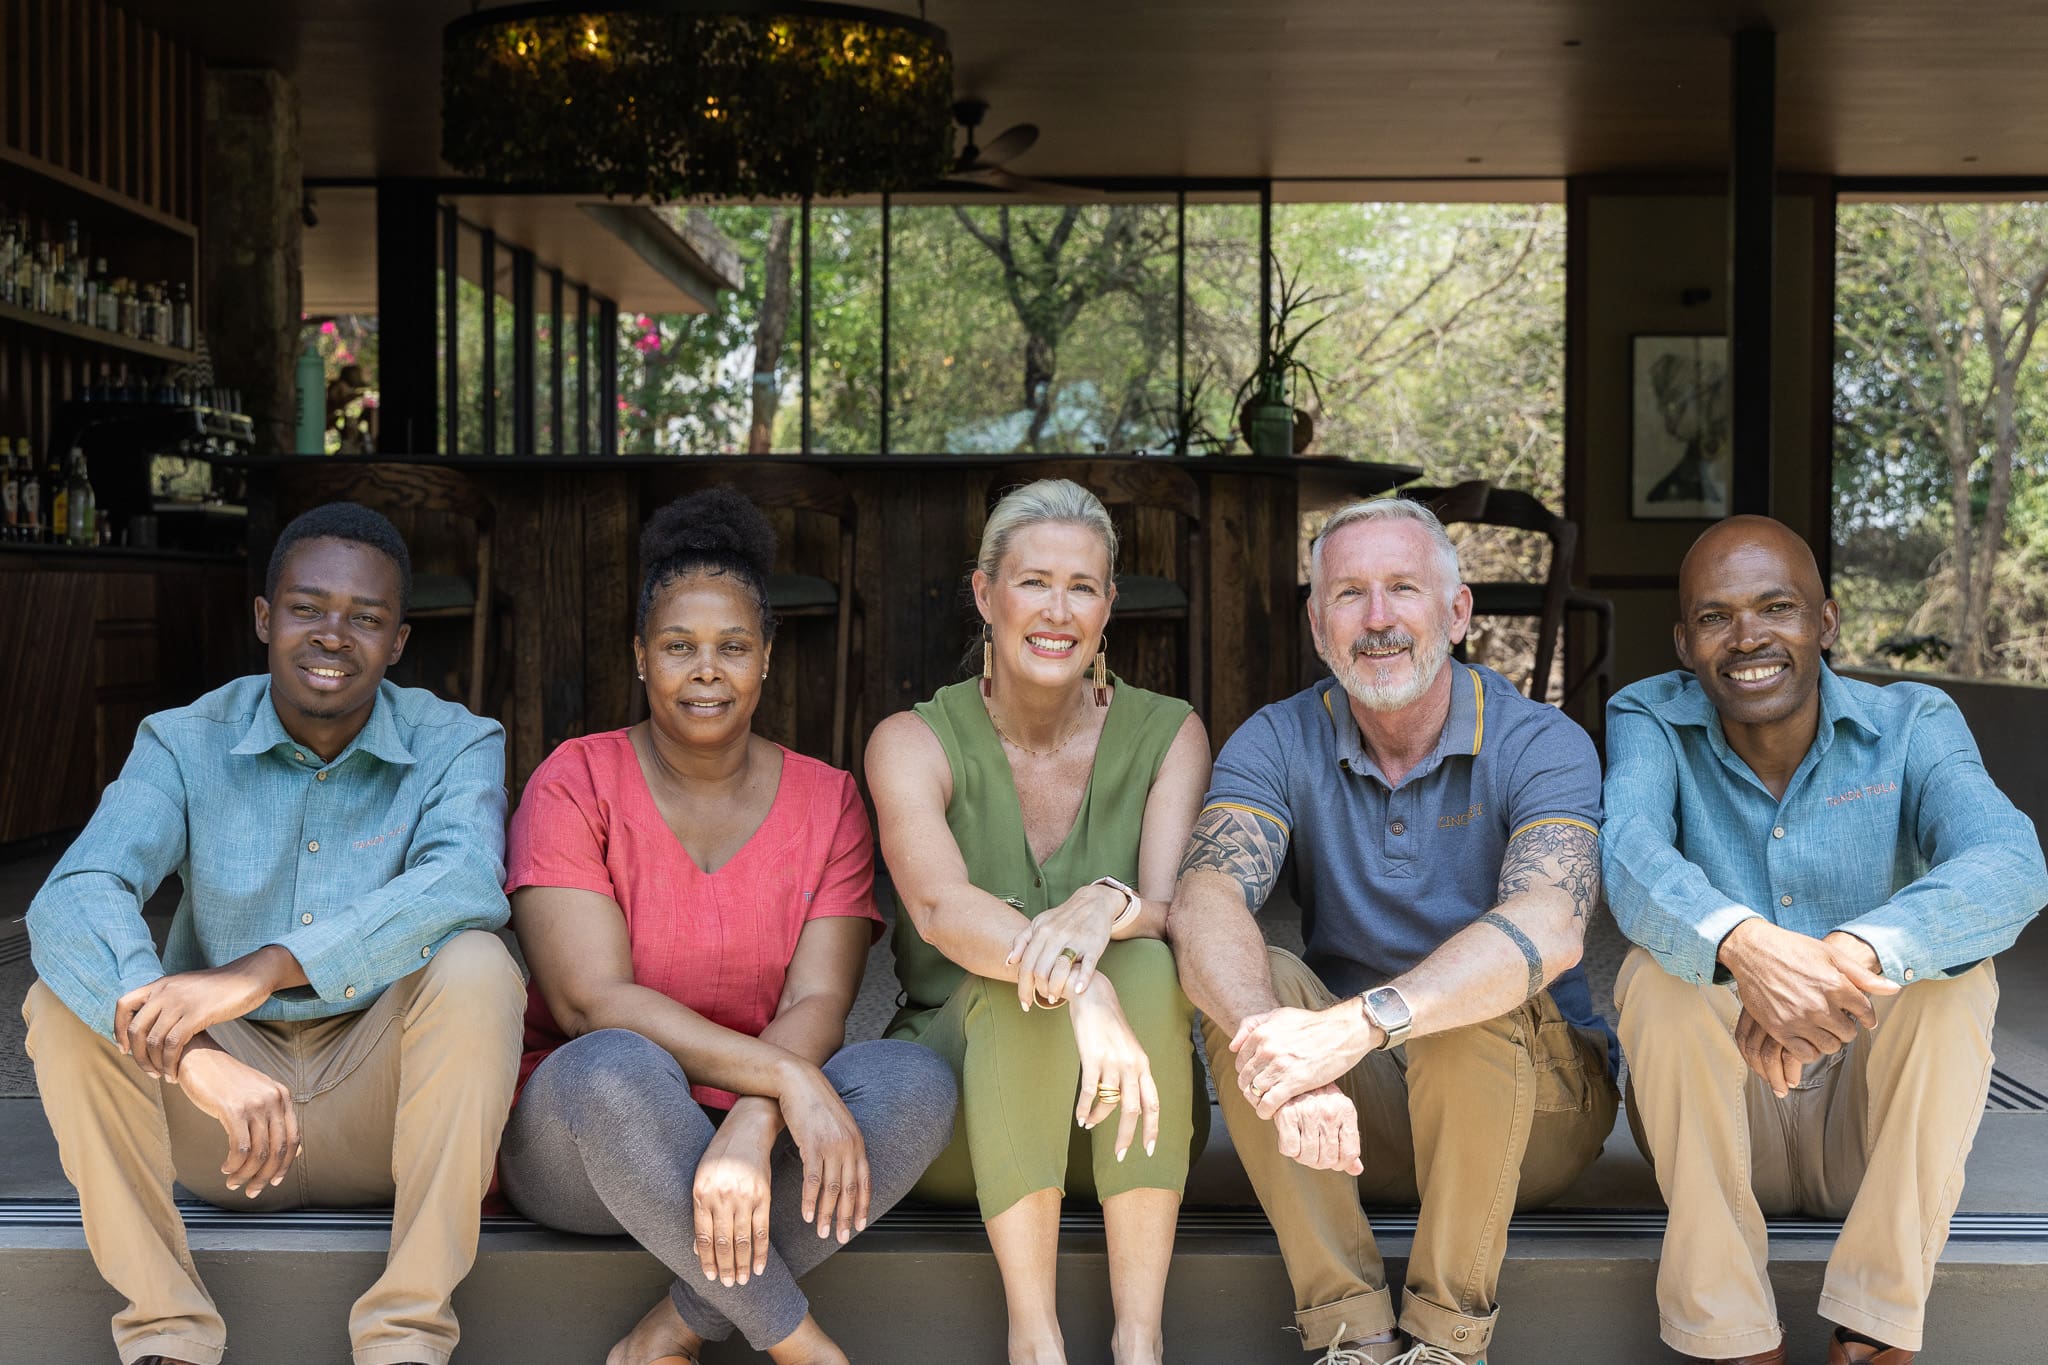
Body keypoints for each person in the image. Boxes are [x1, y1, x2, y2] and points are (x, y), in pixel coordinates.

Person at [22, 502, 526, 1365]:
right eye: (307, 608)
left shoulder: (457, 742)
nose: (334, 635)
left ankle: (405, 1337)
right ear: (264, 617)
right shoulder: (182, 742)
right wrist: (191, 1054)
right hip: (219, 1120)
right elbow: (76, 892)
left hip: (383, 1107)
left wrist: (266, 967)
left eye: (366, 618)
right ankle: (167, 1333)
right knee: (63, 997)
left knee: (480, 964)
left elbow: (467, 880)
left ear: (398, 642)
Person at [498, 488, 957, 1365]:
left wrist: (757, 1114)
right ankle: (803, 1343)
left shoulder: (829, 801)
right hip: (592, 1142)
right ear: (639, 657)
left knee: (915, 1080)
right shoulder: (574, 780)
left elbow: (824, 996)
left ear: (767, 659)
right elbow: (593, 1001)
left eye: (732, 647)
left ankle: (670, 1330)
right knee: (612, 1063)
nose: (706, 670)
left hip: (762, 1143)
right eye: (678, 646)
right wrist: (787, 1079)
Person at [1167, 496, 1617, 1365]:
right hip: (1346, 1113)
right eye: (1349, 595)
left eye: (1403, 588)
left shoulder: (1540, 740)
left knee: (1471, 984)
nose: (1378, 620)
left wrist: (1363, 1020)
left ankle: (1448, 1342)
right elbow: (1207, 898)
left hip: (1537, 1104)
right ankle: (1353, 1335)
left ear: (1456, 611)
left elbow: (1550, 923)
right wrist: (1281, 1042)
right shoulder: (1278, 737)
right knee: (1245, 978)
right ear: (1316, 623)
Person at [1605, 516, 2048, 1365]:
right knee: (1656, 975)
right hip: (1725, 1119)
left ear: (1826, 623)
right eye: (1715, 617)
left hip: (1868, 1130)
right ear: (1683, 643)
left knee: (1957, 974)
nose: (1748, 638)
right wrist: (1744, 943)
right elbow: (1627, 858)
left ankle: (1873, 1332)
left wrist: (1849, 953)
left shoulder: (1915, 720)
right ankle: (1731, 1337)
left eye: (1777, 607)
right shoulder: (1648, 717)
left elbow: (2011, 861)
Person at [867, 478, 1212, 1365]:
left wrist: (1105, 899)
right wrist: (1079, 984)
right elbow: (942, 910)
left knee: (1147, 961)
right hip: (963, 1114)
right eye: (1033, 583)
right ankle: (1037, 1340)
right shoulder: (912, 740)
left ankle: (1141, 1340)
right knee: (1029, 989)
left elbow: (1175, 912)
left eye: (1083, 587)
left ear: (1107, 610)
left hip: (1128, 1113)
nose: (1057, 610)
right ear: (986, 595)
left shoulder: (1169, 733)